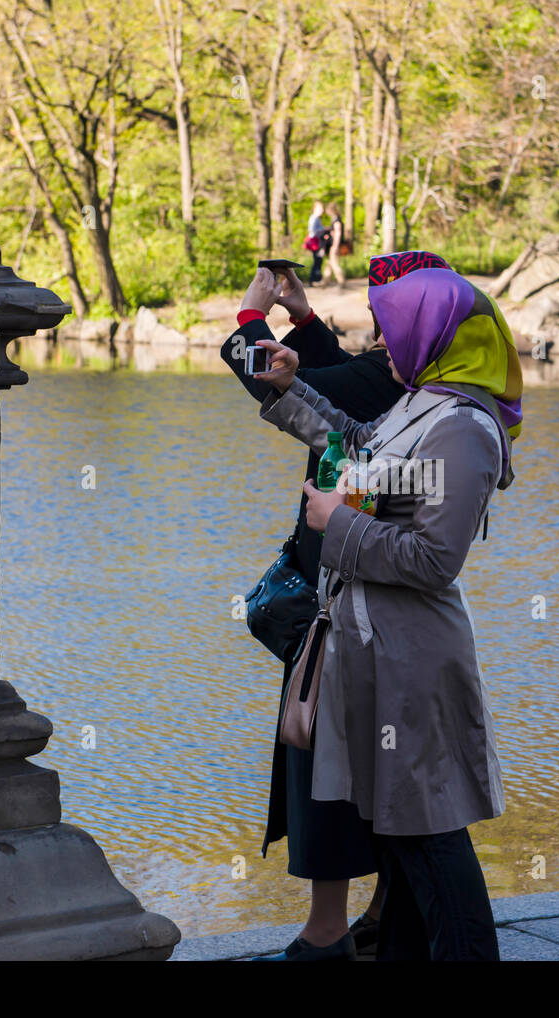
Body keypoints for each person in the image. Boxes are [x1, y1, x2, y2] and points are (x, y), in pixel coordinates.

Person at [252, 264, 524, 960]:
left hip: (412, 657)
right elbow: (355, 441)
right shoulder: (422, 403)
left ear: (434, 331)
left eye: (395, 328)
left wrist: (332, 524)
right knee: (403, 828)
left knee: (427, 830)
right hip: (375, 650)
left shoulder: (464, 426)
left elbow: (436, 558)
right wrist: (288, 389)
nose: (384, 341)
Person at [219, 251, 454, 961]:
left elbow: (276, 375)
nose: (378, 321)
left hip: (343, 595)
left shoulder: (387, 382)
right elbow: (334, 376)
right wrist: (305, 317)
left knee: (317, 745)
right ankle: (382, 909)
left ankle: (327, 930)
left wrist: (251, 314)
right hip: (367, 592)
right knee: (373, 757)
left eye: (386, 308)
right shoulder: (415, 382)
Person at [304, 201, 329, 286]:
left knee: (318, 261)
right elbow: (313, 231)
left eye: (322, 209)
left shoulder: (317, 218)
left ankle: (316, 280)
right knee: (317, 261)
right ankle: (314, 281)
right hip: (315, 243)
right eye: (320, 208)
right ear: (315, 209)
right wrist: (324, 229)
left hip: (318, 242)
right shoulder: (314, 218)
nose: (322, 210)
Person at [325, 206, 346, 288]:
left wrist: (335, 246)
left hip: (334, 246)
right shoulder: (334, 220)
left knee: (334, 264)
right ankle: (324, 282)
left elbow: (338, 234)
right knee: (329, 264)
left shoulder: (337, 221)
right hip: (332, 245)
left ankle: (341, 282)